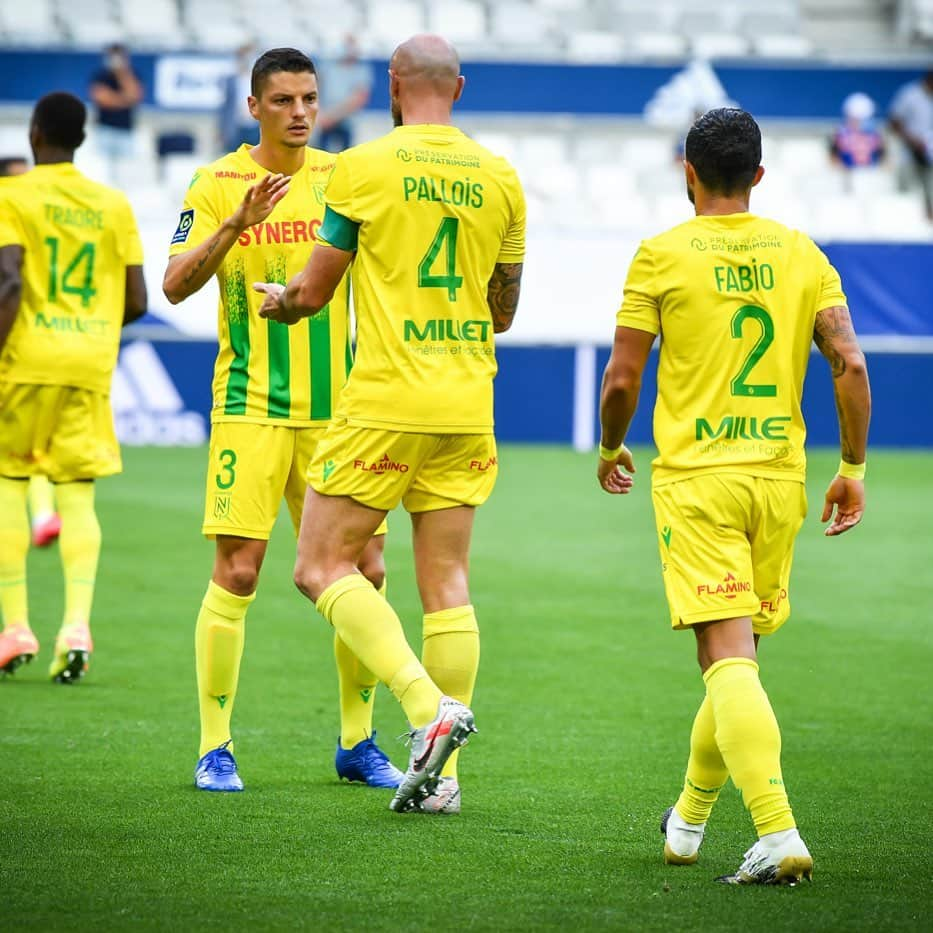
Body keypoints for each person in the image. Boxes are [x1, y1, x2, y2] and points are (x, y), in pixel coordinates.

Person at [597, 108, 870, 884]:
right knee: (733, 657)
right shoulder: (800, 252)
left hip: (698, 478)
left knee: (724, 657)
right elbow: (847, 363)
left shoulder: (660, 254)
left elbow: (621, 376)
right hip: (778, 479)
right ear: (757, 174)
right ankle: (685, 822)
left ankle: (778, 833)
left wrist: (612, 444)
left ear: (686, 171)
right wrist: (852, 465)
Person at [255, 33, 526, 814]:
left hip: (385, 400)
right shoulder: (501, 177)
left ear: (393, 85)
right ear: (460, 88)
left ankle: (421, 707)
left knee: (319, 566)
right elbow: (503, 311)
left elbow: (311, 291)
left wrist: (281, 301)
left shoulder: (363, 168)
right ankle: (445, 779)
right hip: (469, 398)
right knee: (446, 582)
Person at [163, 48, 401, 793]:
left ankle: (358, 741)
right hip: (249, 407)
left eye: (309, 98)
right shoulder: (216, 182)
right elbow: (172, 285)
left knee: (365, 568)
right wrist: (232, 226)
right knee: (238, 571)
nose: (300, 112)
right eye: (285, 100)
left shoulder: (346, 177)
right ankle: (214, 746)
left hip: (340, 414)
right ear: (254, 106)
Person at [0, 92, 147, 682]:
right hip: (89, 363)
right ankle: (77, 625)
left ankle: (14, 625)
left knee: (10, 482)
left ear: (36, 134)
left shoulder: (11, 195)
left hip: (26, 360)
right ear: (83, 137)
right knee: (78, 494)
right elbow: (137, 300)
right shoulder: (114, 204)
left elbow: (8, 280)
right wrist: (88, 328)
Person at [0, 156, 62, 548]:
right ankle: (41, 514)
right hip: (34, 345)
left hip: (24, 348)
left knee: (21, 452)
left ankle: (40, 516)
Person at [89, 44, 144, 184]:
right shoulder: (100, 75)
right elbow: (102, 99)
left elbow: (135, 95)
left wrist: (122, 74)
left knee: (126, 174)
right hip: (104, 130)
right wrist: (124, 100)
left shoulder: (132, 75)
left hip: (126, 131)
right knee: (101, 173)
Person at [314, 36, 373, 153]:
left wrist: (332, 117)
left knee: (345, 158)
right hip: (325, 121)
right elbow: (316, 88)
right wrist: (320, 114)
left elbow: (359, 99)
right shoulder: (328, 67)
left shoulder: (361, 71)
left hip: (346, 123)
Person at [888, 70, 933, 221]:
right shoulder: (910, 95)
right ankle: (904, 222)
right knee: (906, 193)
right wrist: (913, 141)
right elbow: (894, 122)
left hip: (930, 156)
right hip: (910, 152)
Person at [220, 43, 261, 155]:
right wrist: (222, 130)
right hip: (237, 126)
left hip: (255, 126)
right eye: (243, 57)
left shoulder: (260, 80)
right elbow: (226, 106)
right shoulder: (231, 80)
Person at [830, 92, 885, 171]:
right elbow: (834, 159)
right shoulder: (841, 135)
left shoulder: (874, 135)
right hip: (848, 176)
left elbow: (883, 158)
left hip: (870, 176)